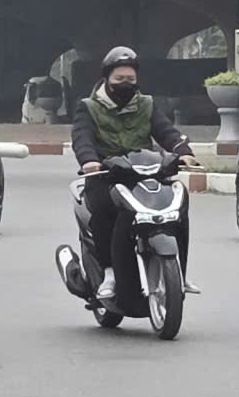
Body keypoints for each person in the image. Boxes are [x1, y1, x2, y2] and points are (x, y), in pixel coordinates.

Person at [69, 46, 190, 305]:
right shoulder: (88, 107)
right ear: (107, 79)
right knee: (105, 211)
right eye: (119, 79)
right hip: (106, 175)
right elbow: (82, 137)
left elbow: (166, 131)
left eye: (130, 80)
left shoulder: (147, 104)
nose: (125, 84)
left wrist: (184, 152)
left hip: (143, 174)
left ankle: (181, 271)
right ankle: (110, 273)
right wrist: (89, 160)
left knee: (178, 205)